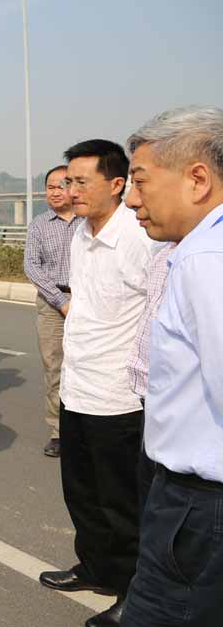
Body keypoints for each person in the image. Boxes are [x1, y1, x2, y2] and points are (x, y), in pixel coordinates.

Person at [38, 140, 154, 627]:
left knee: (121, 503)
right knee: (81, 492)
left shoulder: (138, 238)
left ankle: (133, 592)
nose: (71, 191)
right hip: (78, 387)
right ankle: (96, 568)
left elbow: (158, 313)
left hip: (118, 398)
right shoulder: (81, 235)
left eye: (82, 182)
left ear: (117, 183)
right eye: (68, 181)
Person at [120, 106, 223, 627]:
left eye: (140, 181)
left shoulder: (207, 259)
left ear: (197, 179)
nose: (131, 199)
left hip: (200, 507)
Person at [23, 165, 82, 458]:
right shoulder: (39, 225)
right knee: (55, 369)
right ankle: (59, 431)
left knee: (89, 365)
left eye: (61, 186)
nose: (55, 192)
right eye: (50, 187)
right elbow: (32, 266)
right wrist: (60, 301)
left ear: (73, 187)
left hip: (88, 300)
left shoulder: (89, 221)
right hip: (51, 304)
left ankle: (87, 428)